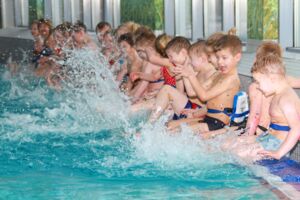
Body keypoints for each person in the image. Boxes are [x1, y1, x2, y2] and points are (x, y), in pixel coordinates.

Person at [174, 34, 242, 133]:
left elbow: (204, 96)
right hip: (208, 118)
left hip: (218, 123)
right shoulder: (218, 74)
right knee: (171, 127)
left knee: (178, 132)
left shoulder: (231, 79)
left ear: (237, 57)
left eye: (224, 58)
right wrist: (196, 113)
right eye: (218, 58)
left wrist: (190, 76)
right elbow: (194, 93)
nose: (220, 62)